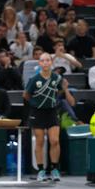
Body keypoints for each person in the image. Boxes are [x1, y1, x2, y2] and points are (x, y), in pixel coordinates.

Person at [23, 53, 75, 182]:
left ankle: (54, 169)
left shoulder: (57, 78)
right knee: (39, 142)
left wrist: (65, 89)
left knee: (54, 141)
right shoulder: (34, 79)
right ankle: (41, 170)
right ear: (39, 63)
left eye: (47, 60)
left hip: (52, 112)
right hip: (37, 113)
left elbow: (62, 94)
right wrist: (36, 104)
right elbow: (26, 95)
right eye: (42, 61)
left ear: (51, 62)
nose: (45, 63)